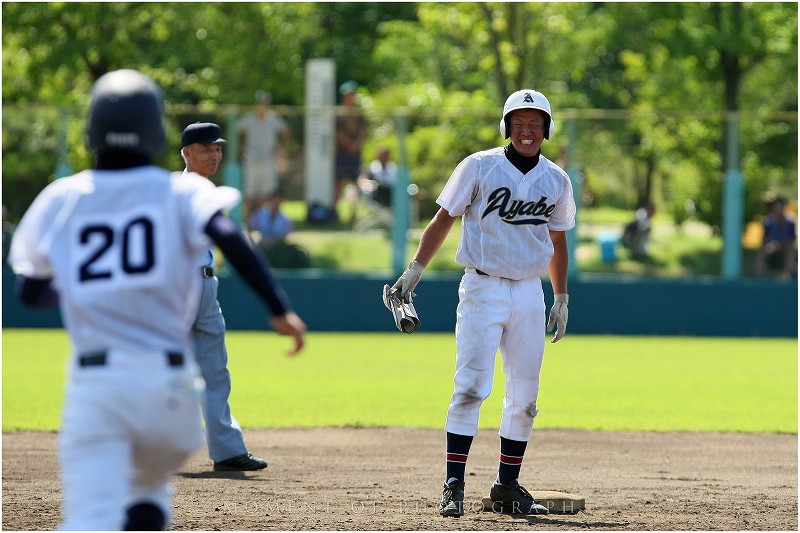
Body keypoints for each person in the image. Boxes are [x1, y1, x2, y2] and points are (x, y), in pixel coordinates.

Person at [7, 69, 306, 530]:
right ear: (157, 132)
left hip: (100, 382)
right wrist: (278, 307)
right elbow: (229, 235)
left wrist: (89, 284)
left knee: (94, 511)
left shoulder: (64, 195)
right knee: (147, 501)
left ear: (92, 131)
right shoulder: (179, 190)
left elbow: (31, 290)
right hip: (167, 389)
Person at [390, 89, 575, 518]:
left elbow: (558, 241)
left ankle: (506, 486)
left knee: (526, 394)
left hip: (530, 291)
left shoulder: (557, 180)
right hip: (482, 287)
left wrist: (561, 296)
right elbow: (443, 218)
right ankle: (454, 482)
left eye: (535, 124)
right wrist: (415, 270)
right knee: (471, 385)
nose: (526, 131)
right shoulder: (479, 166)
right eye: (519, 123)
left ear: (546, 130)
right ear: (506, 127)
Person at [181, 122, 288, 472]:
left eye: (217, 148)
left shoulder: (208, 191)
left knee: (215, 370)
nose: (214, 154)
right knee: (157, 368)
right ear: (187, 153)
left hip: (206, 285)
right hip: (175, 287)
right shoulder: (179, 189)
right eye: (206, 148)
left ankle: (226, 450)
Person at [236, 90, 292, 221]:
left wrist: (279, 148)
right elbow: (236, 131)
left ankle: (258, 221)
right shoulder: (248, 118)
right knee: (249, 192)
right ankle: (245, 221)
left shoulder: (273, 118)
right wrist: (241, 147)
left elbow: (286, 133)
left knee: (265, 193)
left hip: (268, 160)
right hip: (251, 159)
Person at [334, 81, 368, 215]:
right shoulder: (339, 112)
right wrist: (349, 144)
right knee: (338, 182)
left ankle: (355, 212)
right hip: (342, 153)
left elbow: (363, 130)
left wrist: (356, 144)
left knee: (356, 181)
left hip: (355, 154)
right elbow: (338, 132)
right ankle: (335, 211)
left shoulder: (359, 113)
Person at [755, 195, 797, 278]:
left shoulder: (790, 220)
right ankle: (758, 275)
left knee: (789, 250)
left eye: (780, 206)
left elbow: (792, 237)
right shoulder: (769, 221)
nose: (778, 209)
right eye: (776, 207)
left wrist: (784, 243)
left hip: (786, 245)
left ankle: (787, 274)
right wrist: (769, 244)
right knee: (762, 252)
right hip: (773, 245)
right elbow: (765, 237)